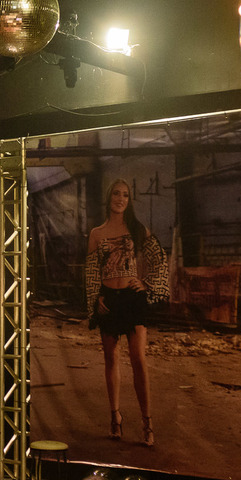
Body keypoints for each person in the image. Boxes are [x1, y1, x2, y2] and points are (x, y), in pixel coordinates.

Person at [84, 179, 169, 446]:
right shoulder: (97, 233)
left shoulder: (137, 229)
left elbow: (159, 258)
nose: (120, 198)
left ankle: (147, 422)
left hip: (133, 299)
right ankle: (115, 418)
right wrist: (96, 299)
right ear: (109, 197)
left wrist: (147, 283)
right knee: (111, 359)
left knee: (138, 360)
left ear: (129, 201)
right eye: (116, 194)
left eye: (125, 195)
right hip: (109, 301)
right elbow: (91, 272)